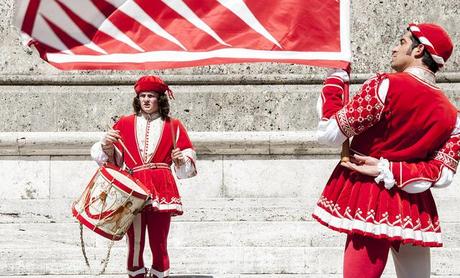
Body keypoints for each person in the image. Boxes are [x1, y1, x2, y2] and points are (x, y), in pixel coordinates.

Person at [312, 23, 457, 277]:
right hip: (415, 208)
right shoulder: (453, 116)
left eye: (401, 42)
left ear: (419, 49)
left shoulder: (384, 85)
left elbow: (330, 133)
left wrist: (336, 79)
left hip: (370, 197)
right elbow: (442, 174)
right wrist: (392, 169)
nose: (394, 48)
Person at [91, 75, 197, 278]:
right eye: (142, 96)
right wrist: (106, 144)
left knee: (159, 242)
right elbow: (115, 161)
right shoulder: (125, 123)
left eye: (151, 96)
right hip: (134, 188)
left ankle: (159, 274)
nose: (146, 100)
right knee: (135, 242)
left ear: (160, 99)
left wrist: (180, 159)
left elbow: (188, 158)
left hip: (162, 187)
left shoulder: (173, 125)